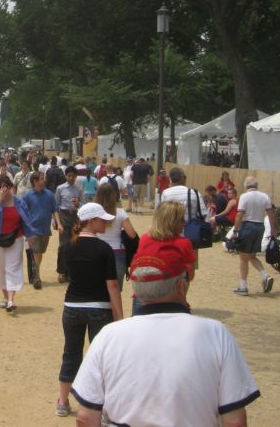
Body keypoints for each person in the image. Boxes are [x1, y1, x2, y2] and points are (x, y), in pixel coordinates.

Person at [70, 249, 260, 427]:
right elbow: (235, 420)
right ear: (180, 286)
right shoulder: (216, 333)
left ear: (137, 292)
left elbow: (85, 417)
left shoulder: (108, 335)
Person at [55, 202, 122, 418]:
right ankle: (102, 406)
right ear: (92, 221)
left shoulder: (67, 246)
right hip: (99, 308)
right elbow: (113, 285)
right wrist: (119, 316)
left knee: (71, 353)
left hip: (72, 306)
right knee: (101, 358)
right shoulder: (104, 249)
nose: (106, 223)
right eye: (102, 220)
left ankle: (63, 401)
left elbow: (63, 272)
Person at [0, 173, 34, 312]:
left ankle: (11, 300)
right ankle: (6, 298)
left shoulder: (19, 202)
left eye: (6, 186)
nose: (4, 189)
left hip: (16, 238)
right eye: (0, 187)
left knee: (13, 268)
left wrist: (29, 237)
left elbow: (27, 220)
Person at [232, 176, 276, 296]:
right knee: (252, 256)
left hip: (248, 226)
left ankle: (243, 286)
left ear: (246, 185)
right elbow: (271, 214)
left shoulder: (244, 196)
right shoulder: (265, 196)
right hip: (260, 227)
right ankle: (265, 275)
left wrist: (235, 231)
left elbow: (239, 215)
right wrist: (273, 230)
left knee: (243, 257)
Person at [94, 183, 138, 289]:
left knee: (98, 287)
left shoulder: (94, 213)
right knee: (115, 289)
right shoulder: (120, 213)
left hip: (97, 250)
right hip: (117, 252)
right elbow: (132, 234)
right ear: (113, 196)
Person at [22, 171, 58, 289]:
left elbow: (55, 210)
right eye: (42, 178)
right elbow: (22, 212)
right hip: (32, 229)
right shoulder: (28, 195)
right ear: (35, 181)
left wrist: (58, 223)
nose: (44, 180)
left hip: (45, 229)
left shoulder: (49, 194)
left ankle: (36, 272)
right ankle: (36, 277)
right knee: (36, 252)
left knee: (40, 253)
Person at [54, 166, 84, 283]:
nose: (71, 178)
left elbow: (84, 205)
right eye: (69, 175)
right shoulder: (60, 188)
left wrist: (79, 204)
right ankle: (61, 272)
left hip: (75, 217)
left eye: (73, 176)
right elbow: (55, 207)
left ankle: (71, 273)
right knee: (63, 246)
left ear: (76, 176)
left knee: (74, 245)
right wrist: (56, 222)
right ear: (65, 176)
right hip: (64, 217)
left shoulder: (79, 189)